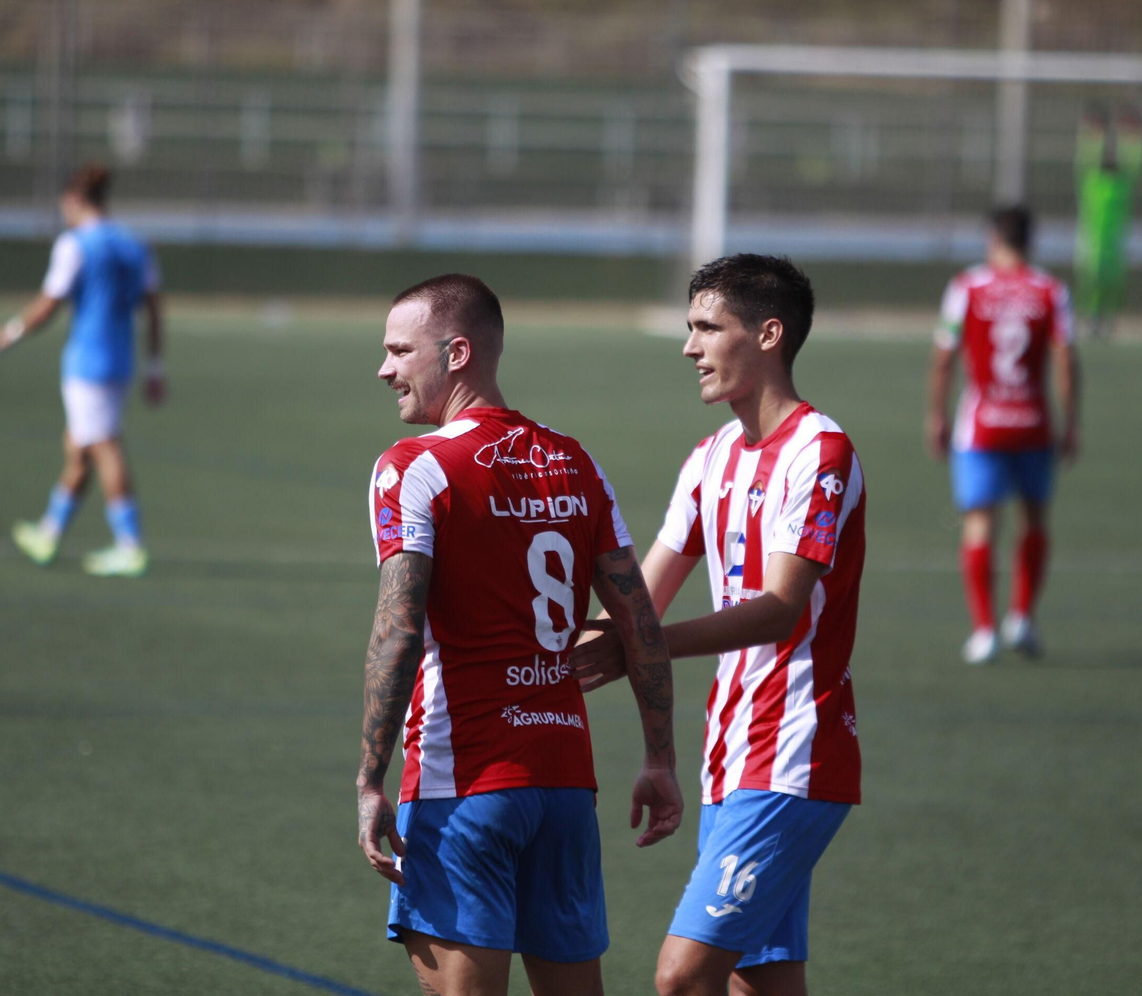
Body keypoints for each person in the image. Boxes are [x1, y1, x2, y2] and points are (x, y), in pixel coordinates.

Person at [356, 274, 682, 996]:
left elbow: (399, 631)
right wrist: (660, 753)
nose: (385, 368)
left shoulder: (412, 468)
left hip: (461, 782)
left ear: (459, 352)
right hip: (564, 779)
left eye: (400, 350)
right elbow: (638, 621)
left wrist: (369, 776)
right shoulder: (576, 461)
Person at [572, 255, 866, 996]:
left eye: (707, 327)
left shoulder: (820, 452)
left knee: (683, 975)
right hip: (731, 757)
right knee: (759, 984)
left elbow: (779, 606)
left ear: (768, 334)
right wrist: (540, 649)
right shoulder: (708, 460)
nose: (689, 347)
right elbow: (640, 599)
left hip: (795, 754)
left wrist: (643, 642)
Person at [0, 164, 164, 578]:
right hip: (121, 359)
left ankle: (129, 544)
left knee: (102, 446)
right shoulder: (133, 244)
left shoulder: (76, 245)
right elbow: (154, 307)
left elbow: (50, 303)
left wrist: (13, 331)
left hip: (88, 361)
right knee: (80, 446)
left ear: (75, 200)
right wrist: (156, 363)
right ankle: (49, 533)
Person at [926, 206, 1080, 664]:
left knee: (980, 524)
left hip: (982, 427)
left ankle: (984, 630)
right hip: (1033, 423)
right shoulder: (1050, 291)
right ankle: (1023, 618)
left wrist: (936, 414)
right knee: (1034, 520)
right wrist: (1071, 421)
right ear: (1032, 241)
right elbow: (1066, 361)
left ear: (993, 239)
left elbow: (943, 355)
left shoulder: (967, 287)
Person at [1074, 104, 1142, 336]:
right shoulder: (1092, 183)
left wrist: (1131, 137)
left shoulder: (1122, 186)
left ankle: (1108, 319)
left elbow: (1133, 161)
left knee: (1114, 284)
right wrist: (1093, 135)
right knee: (1091, 281)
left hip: (1115, 246)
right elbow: (1086, 158)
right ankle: (1090, 317)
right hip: (1092, 243)